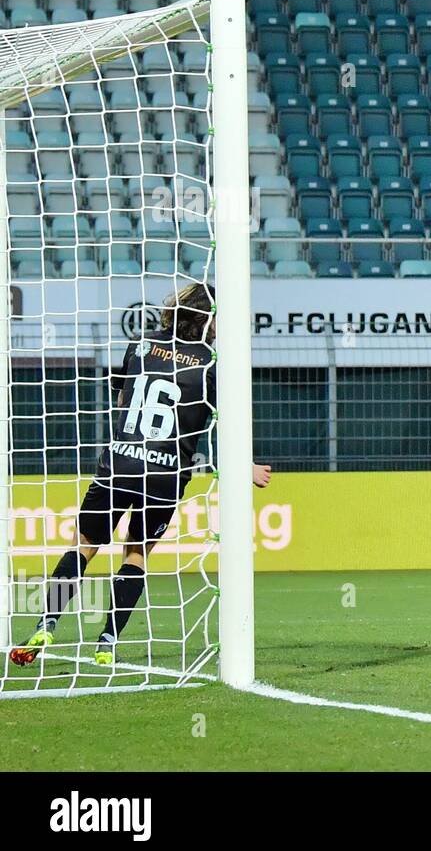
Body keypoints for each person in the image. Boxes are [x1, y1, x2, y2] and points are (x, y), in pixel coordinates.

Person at [10, 283, 272, 667]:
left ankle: (48, 621)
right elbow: (224, 423)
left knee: (83, 546)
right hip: (167, 472)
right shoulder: (212, 361)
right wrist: (245, 467)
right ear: (205, 317)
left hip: (121, 462)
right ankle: (107, 641)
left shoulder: (140, 344)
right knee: (136, 553)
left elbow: (122, 399)